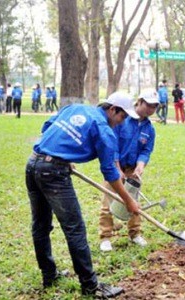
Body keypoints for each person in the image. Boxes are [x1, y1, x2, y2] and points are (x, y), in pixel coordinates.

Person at [26, 92, 140, 298]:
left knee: (40, 225)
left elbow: (47, 126)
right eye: (122, 117)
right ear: (113, 109)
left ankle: (49, 275)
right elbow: (110, 173)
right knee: (75, 229)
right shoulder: (105, 131)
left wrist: (61, 153)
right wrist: (128, 200)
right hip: (53, 173)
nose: (122, 123)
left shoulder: (77, 108)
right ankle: (90, 286)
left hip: (33, 163)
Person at [99, 90, 158, 252]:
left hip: (132, 169)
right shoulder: (122, 119)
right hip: (114, 165)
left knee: (134, 201)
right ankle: (105, 236)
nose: (150, 109)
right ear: (139, 102)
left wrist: (140, 166)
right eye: (148, 105)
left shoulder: (149, 129)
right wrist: (117, 168)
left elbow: (146, 150)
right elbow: (113, 144)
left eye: (154, 107)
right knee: (108, 201)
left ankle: (135, 233)